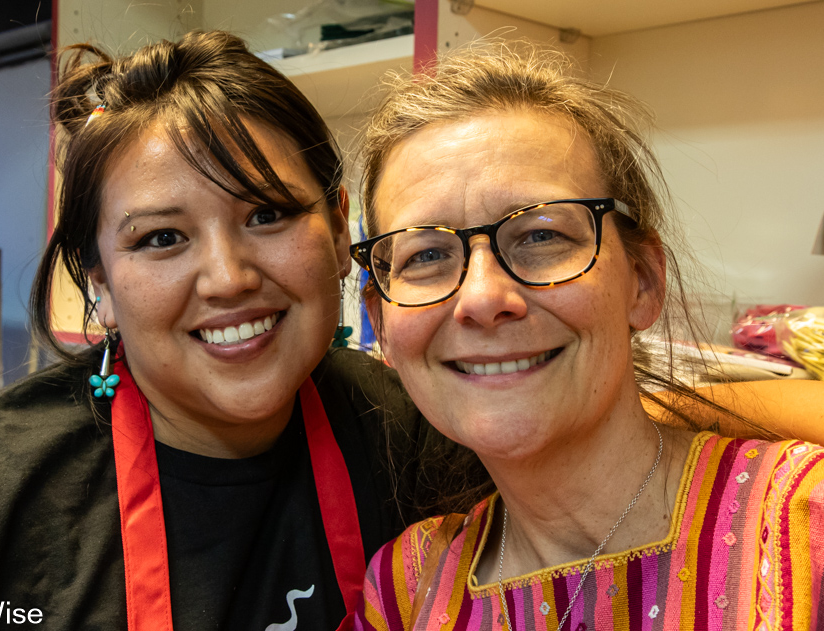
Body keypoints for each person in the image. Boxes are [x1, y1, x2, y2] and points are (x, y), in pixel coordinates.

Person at [0, 31, 464, 631]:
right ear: (98, 285)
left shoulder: (419, 437)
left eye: (267, 215)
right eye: (162, 238)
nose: (228, 279)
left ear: (340, 232)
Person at [351, 43, 824, 630]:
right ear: (385, 327)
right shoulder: (404, 591)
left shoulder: (803, 530)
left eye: (541, 236)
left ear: (643, 281)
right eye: (426, 254)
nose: (481, 298)